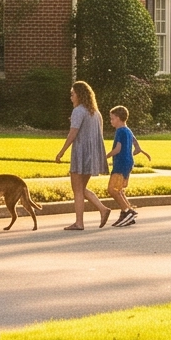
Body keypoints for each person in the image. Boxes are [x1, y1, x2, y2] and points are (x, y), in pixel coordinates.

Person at [52, 81, 109, 231]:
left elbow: (73, 133)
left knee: (77, 189)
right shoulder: (96, 113)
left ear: (79, 95)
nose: (71, 97)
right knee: (81, 188)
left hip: (81, 153)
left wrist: (62, 151)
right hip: (92, 154)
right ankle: (102, 209)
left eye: (72, 94)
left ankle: (79, 222)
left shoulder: (78, 111)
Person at [105, 104, 146, 228]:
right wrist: (138, 148)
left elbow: (118, 149)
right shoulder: (127, 129)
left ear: (118, 118)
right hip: (128, 163)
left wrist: (105, 157)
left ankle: (128, 212)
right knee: (119, 189)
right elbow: (134, 140)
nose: (111, 121)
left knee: (113, 189)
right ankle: (126, 211)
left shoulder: (120, 131)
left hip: (121, 163)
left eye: (112, 118)